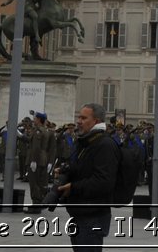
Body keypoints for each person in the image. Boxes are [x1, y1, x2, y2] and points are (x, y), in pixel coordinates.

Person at [56, 103, 117, 251]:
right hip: (79, 213)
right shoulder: (85, 142)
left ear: (96, 121)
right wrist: (65, 171)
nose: (78, 121)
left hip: (93, 217)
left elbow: (104, 181)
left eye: (83, 118)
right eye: (79, 117)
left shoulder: (104, 144)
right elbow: (83, 169)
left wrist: (73, 187)